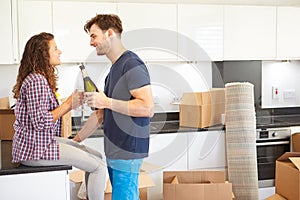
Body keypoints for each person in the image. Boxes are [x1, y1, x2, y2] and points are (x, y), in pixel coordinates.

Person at [11, 32, 106, 200]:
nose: (59, 51)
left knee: (97, 157)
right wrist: (69, 104)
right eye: (55, 48)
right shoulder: (36, 81)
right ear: (42, 54)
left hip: (40, 143)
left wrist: (71, 102)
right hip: (36, 150)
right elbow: (40, 122)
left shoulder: (39, 79)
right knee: (98, 167)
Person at [73, 14, 154, 200]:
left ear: (109, 33)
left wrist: (106, 101)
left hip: (127, 150)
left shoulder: (132, 64)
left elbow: (147, 107)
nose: (91, 43)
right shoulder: (114, 69)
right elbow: (101, 114)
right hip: (114, 149)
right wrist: (75, 140)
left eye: (94, 36)